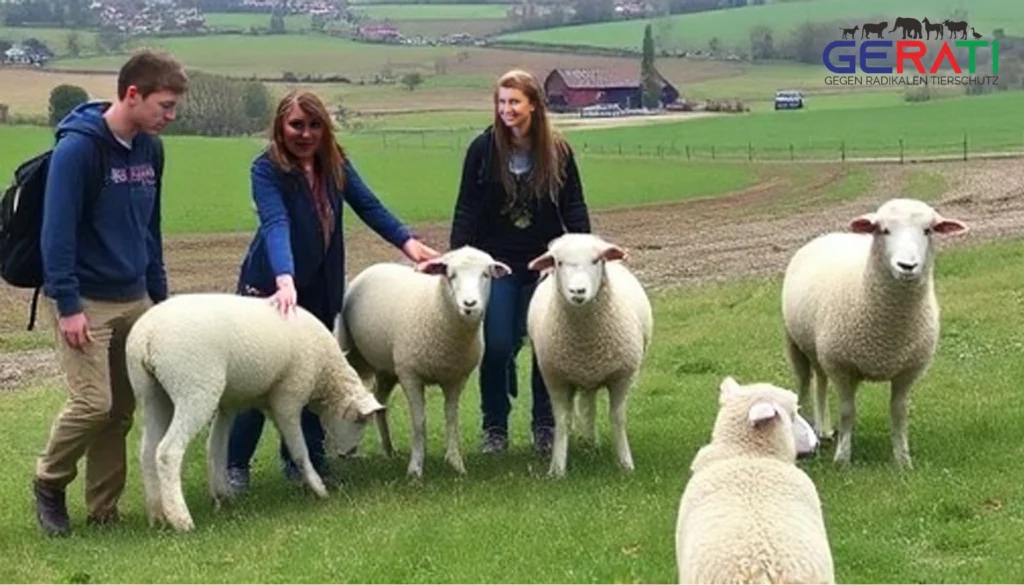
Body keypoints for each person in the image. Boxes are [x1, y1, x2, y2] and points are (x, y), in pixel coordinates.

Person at [226, 89, 440, 492]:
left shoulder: (336, 165)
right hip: (269, 288)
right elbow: (276, 224)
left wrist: (408, 243)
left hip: (320, 287)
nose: (305, 134)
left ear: (325, 128)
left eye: (314, 125)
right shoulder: (266, 169)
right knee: (257, 376)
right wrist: (284, 279)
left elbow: (369, 206)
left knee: (310, 375)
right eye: (296, 125)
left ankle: (305, 460)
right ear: (280, 126)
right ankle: (235, 465)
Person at [33, 48, 188, 537]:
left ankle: (103, 510)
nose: (171, 116)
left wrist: (159, 297)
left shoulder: (150, 150)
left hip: (136, 295)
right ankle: (48, 481)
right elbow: (55, 234)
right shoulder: (78, 150)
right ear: (132, 94)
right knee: (92, 404)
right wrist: (69, 304)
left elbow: (151, 228)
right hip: (86, 299)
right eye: (164, 105)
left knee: (121, 411)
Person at [448, 68, 591, 455]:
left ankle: (544, 425)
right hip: (498, 265)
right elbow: (466, 207)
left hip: (545, 265)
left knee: (547, 346)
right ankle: (495, 425)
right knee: (497, 344)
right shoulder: (483, 151)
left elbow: (573, 205)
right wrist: (458, 257)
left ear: (533, 105)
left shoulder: (557, 151)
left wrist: (584, 251)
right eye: (501, 102)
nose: (507, 109)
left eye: (514, 102)